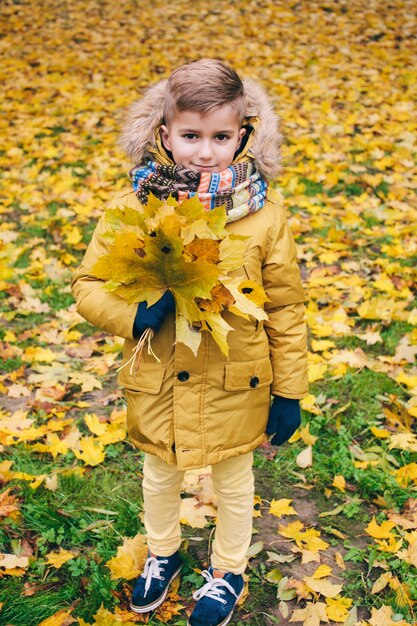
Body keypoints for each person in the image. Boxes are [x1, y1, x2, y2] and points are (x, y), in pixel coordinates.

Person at [71, 58, 308, 626]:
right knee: (159, 473)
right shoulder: (133, 209)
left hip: (237, 378)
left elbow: (285, 306)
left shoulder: (263, 215)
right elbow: (87, 286)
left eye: (221, 137)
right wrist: (134, 314)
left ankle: (228, 570)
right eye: (191, 136)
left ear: (244, 135)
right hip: (157, 375)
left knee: (232, 480)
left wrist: (290, 389)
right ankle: (163, 553)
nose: (206, 152)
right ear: (164, 134)